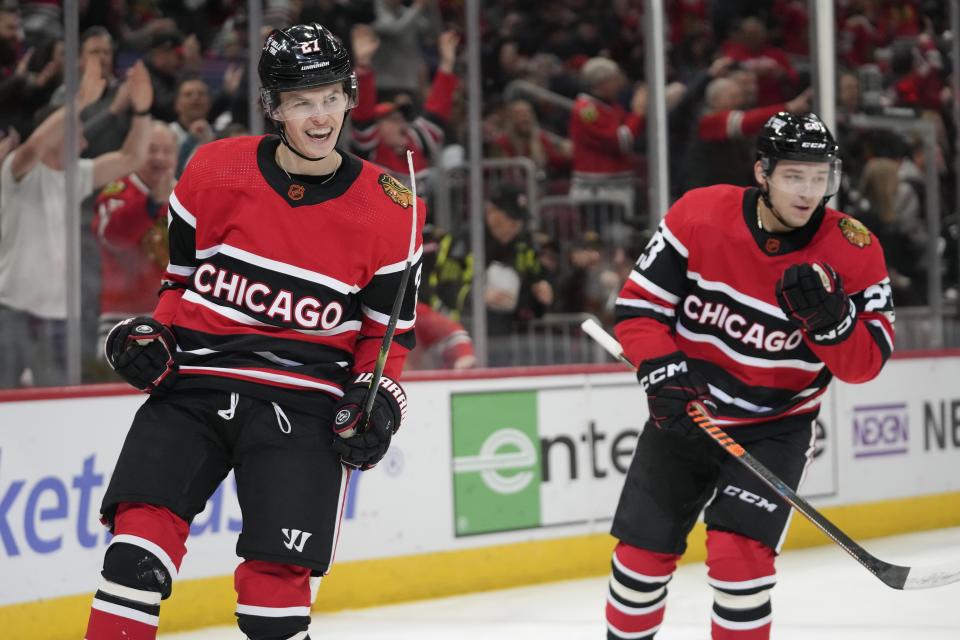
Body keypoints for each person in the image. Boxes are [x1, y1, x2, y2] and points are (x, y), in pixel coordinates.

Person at [82, 22, 424, 640]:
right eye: (300, 102)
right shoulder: (214, 169)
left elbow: (386, 340)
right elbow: (177, 286)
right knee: (131, 562)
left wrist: (379, 402)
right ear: (274, 108)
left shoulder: (389, 208)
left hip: (304, 406)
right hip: (194, 387)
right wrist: (150, 338)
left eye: (330, 98)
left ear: (350, 96)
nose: (319, 118)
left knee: (274, 612)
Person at [607, 112, 895, 640]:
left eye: (819, 177)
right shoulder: (700, 214)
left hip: (774, 427)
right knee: (639, 562)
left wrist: (834, 326)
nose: (809, 192)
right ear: (762, 172)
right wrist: (661, 368)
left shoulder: (853, 250)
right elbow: (639, 309)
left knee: (741, 569)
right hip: (687, 412)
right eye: (793, 176)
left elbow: (865, 366)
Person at [0, 60, 153, 388]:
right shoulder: (16, 170)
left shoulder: (76, 175)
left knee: (54, 406)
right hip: (11, 312)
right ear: (58, 136)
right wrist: (80, 102)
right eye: (78, 133)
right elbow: (32, 147)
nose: (84, 142)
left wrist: (142, 112)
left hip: (57, 317)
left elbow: (131, 159)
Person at [92, 121, 178, 349]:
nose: (159, 158)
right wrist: (152, 205)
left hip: (171, 313)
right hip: (122, 315)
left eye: (167, 151)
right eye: (151, 149)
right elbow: (113, 237)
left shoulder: (184, 195)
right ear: (137, 151)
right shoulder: (117, 191)